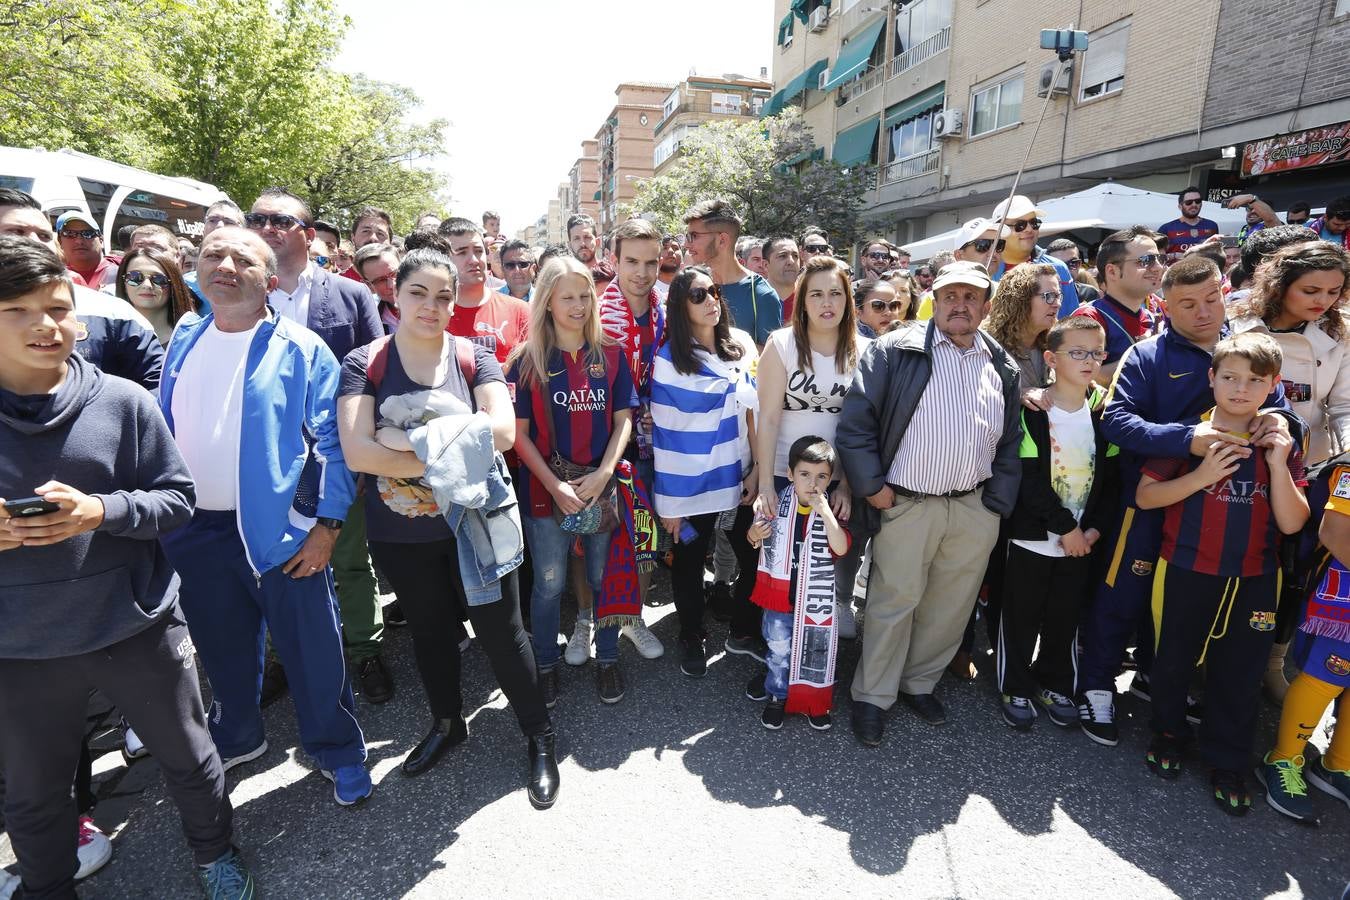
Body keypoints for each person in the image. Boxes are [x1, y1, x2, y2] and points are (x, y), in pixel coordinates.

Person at [0, 236, 254, 900]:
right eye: (18, 310)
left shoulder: (121, 402)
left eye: (56, 307)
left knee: (191, 760)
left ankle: (216, 852)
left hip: (133, 625)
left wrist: (100, 511)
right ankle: (48, 886)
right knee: (33, 795)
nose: (44, 325)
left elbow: (177, 498)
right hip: (20, 648)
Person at [157, 226, 372, 805]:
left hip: (284, 536)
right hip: (196, 531)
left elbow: (333, 446)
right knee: (222, 645)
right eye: (212, 255)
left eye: (242, 258)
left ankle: (337, 750)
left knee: (312, 651)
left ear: (269, 280)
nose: (224, 265)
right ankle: (239, 735)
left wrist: (324, 527)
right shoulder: (184, 339)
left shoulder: (301, 349)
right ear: (194, 271)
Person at [335, 248, 558, 805]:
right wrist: (457, 442)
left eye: (443, 295)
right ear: (396, 294)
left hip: (474, 525)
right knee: (432, 634)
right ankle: (447, 722)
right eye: (418, 293)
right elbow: (358, 453)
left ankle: (539, 737)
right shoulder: (366, 364)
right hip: (401, 534)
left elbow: (503, 435)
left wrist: (400, 442)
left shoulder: (474, 358)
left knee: (503, 635)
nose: (431, 306)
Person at [1074, 255, 1294, 747]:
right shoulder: (1147, 354)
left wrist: (1283, 422)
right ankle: (1096, 684)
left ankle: (1158, 680)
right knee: (1124, 594)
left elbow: (1278, 407)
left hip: (1225, 508)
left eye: (1212, 299)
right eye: (1186, 304)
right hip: (1150, 500)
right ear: (1164, 305)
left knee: (1180, 607)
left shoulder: (1246, 348)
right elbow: (1116, 421)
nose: (1203, 312)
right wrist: (1185, 440)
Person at [837, 261, 1022, 745]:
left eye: (971, 297)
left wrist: (993, 504)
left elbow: (1010, 440)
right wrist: (873, 488)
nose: (960, 305)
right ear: (933, 301)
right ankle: (873, 696)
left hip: (971, 507)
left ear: (985, 306)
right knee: (893, 602)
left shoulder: (999, 361)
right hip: (907, 502)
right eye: (950, 296)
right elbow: (856, 425)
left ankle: (917, 683)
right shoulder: (893, 350)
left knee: (949, 607)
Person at [1135, 332, 1309, 815]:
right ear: (1211, 378)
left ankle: (1226, 759)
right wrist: (1201, 477)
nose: (1240, 389)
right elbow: (1146, 497)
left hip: (1256, 576)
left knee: (1241, 672)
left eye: (1255, 381)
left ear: (1272, 385)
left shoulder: (1280, 442)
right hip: (1187, 569)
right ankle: (1168, 734)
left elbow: (1293, 522)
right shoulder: (1188, 435)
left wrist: (1276, 464)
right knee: (1174, 659)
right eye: (1229, 377)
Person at [248, 187, 391, 704]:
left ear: (308, 235)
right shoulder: (245, 296)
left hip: (336, 454)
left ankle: (365, 650)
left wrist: (368, 448)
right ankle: (281, 658)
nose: (266, 227)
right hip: (265, 459)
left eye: (279, 220)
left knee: (349, 558)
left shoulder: (351, 294)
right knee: (274, 561)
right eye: (256, 218)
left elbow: (377, 370)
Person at [508, 257, 641, 706]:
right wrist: (553, 486)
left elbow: (624, 420)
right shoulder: (527, 362)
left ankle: (607, 657)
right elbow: (518, 436)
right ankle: (545, 663)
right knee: (548, 583)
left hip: (600, 488)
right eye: (567, 296)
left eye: (585, 295)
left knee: (602, 576)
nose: (579, 305)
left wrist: (605, 472)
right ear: (546, 301)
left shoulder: (613, 353)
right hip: (547, 494)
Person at [997, 316, 1118, 729]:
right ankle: (1014, 682)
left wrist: (1091, 530)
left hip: (1082, 541)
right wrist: (1064, 527)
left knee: (1065, 616)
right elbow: (1029, 479)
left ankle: (1053, 681)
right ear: (1051, 358)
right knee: (1022, 614)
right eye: (1077, 352)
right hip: (1035, 537)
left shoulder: (1107, 414)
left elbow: (1113, 481)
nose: (1089, 361)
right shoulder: (1033, 412)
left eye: (1096, 353)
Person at [651, 267, 764, 677]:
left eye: (713, 291)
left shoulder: (742, 346)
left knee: (752, 555)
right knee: (689, 562)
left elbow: (753, 416)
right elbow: (667, 438)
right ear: (680, 308)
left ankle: (743, 630)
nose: (711, 300)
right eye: (698, 295)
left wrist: (755, 473)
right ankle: (691, 633)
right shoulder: (668, 362)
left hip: (739, 476)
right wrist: (670, 503)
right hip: (689, 485)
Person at [753, 255, 868, 642]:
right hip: (785, 475)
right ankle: (778, 642)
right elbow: (767, 418)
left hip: (836, 476)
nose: (826, 303)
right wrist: (767, 485)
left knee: (834, 553)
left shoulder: (865, 350)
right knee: (784, 559)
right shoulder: (781, 344)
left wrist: (847, 484)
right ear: (802, 301)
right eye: (816, 294)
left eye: (835, 293)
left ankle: (833, 614)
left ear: (848, 299)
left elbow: (861, 426)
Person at [1257, 454, 1350, 823]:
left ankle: (1338, 765)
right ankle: (1282, 759)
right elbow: (1334, 532)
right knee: (1325, 679)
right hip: (1340, 603)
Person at [596, 217, 668, 660]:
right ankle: (591, 617)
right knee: (596, 537)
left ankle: (634, 617)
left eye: (652, 262)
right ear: (614, 260)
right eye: (632, 261)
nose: (642, 273)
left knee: (647, 534)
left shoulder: (668, 308)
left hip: (657, 442)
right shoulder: (595, 311)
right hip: (604, 440)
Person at [747, 436, 851, 730]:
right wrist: (756, 533)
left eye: (821, 476)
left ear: (831, 480)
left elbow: (841, 548)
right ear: (790, 474)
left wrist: (826, 513)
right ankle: (778, 695)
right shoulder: (774, 504)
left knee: (814, 650)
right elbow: (752, 540)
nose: (812, 483)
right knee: (779, 649)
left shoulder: (833, 510)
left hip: (813, 603)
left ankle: (812, 699)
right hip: (779, 598)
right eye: (804, 474)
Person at [1070, 226, 1165, 383]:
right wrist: (1142, 352)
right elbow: (1083, 376)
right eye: (1146, 260)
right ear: (1112, 271)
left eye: (1160, 259)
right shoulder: (1089, 317)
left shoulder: (1153, 316)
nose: (1158, 267)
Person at [682, 199, 781, 348]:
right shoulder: (690, 286)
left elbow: (771, 358)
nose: (686, 244)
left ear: (722, 240)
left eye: (694, 236)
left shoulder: (761, 294)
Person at [439, 218, 531, 364]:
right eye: (462, 253)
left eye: (478, 251)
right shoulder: (435, 315)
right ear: (444, 258)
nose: (474, 260)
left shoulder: (520, 311)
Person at [983, 262, 1062, 403]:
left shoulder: (1055, 343)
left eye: (1058, 296)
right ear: (1021, 300)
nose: (1057, 304)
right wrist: (1018, 394)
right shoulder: (986, 346)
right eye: (1049, 296)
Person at [991, 196, 1079, 316]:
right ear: (999, 230)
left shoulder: (1059, 268)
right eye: (1020, 225)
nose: (1029, 229)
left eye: (1034, 223)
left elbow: (1071, 320)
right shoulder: (985, 268)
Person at [114, 248, 197, 346]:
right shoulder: (108, 336)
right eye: (134, 277)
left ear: (173, 285)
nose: (147, 285)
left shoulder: (193, 338)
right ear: (123, 284)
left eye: (158, 279)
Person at [185, 199, 246, 305]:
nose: (219, 226)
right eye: (213, 220)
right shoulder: (183, 283)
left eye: (228, 222)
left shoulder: (248, 282)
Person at [54, 212, 118, 289]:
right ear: (59, 241)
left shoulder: (120, 275)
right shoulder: (53, 279)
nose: (79, 241)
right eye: (69, 234)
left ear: (101, 239)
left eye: (88, 233)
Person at [1158, 186, 1221, 263]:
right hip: (1177, 273)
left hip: (1204, 272)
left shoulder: (1212, 226)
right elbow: (1157, 256)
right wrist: (1175, 255)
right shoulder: (1166, 228)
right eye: (1189, 202)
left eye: (1197, 201)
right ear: (1180, 206)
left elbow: (1217, 253)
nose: (1194, 204)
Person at [355, 241, 402, 333]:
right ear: (368, 285)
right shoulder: (368, 319)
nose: (392, 284)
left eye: (395, 274)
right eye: (380, 280)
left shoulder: (435, 301)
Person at [1046, 238, 1101, 305]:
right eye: (1059, 266)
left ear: (1080, 264)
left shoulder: (1090, 293)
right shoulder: (1038, 296)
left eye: (1073, 263)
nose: (1067, 270)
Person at [762, 236, 801, 322]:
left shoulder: (808, 297)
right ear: (765, 265)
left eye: (795, 256)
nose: (791, 261)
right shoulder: (755, 298)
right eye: (782, 256)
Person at [654, 233, 681, 302]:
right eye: (665, 248)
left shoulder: (689, 287)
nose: (671, 251)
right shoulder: (647, 288)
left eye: (675, 248)